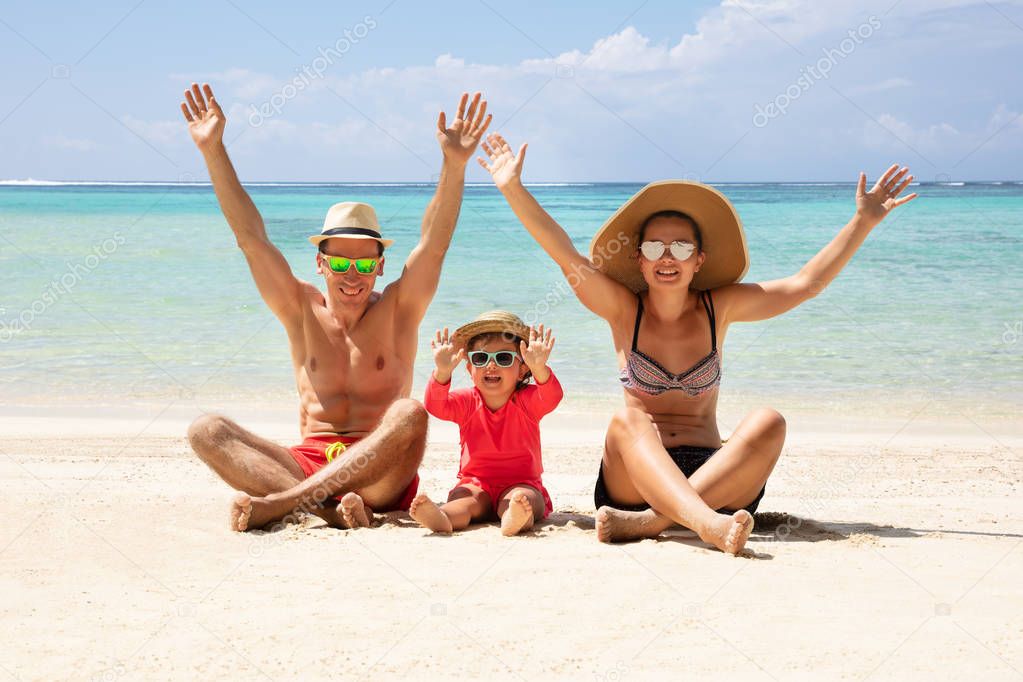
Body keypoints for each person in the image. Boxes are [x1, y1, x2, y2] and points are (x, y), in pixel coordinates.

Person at [478, 132, 916, 554]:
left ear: (699, 260)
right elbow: (564, 253)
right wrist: (513, 188)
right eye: (653, 248)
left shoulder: (718, 307)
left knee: (770, 421)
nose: (667, 258)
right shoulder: (623, 310)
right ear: (638, 259)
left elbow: (806, 284)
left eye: (681, 248)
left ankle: (653, 522)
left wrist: (863, 221)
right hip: (635, 479)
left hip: (715, 473)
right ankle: (703, 524)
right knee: (627, 421)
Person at [179, 82, 492, 531]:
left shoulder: (400, 310)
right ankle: (326, 508)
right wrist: (213, 151)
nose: (352, 274)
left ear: (381, 267)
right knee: (206, 430)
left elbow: (434, 244)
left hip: (382, 476)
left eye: (365, 262)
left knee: (408, 414)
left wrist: (454, 165)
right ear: (320, 262)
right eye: (341, 261)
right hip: (307, 461)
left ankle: (288, 503)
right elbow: (251, 239)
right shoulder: (299, 309)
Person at [410, 313, 562, 536]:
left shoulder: (528, 401)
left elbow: (552, 397)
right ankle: (443, 518)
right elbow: (436, 405)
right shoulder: (466, 402)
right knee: (463, 500)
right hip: (475, 483)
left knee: (524, 499)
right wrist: (442, 372)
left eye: (503, 359)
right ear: (470, 369)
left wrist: (540, 368)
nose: (491, 365)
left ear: (522, 369)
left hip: (521, 482)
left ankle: (515, 519)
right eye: (481, 358)